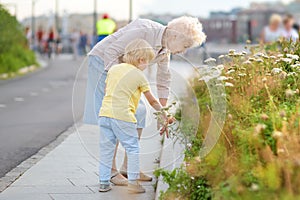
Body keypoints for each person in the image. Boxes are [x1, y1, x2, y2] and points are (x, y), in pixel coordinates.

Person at [83, 16, 206, 186]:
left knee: (139, 112)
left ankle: (128, 167)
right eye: (185, 46)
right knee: (115, 116)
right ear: (175, 36)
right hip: (104, 63)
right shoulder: (144, 29)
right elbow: (111, 52)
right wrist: (116, 81)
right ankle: (111, 172)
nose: (184, 51)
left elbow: (164, 79)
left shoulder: (165, 50)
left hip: (124, 72)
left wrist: (163, 112)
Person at [98, 39, 169, 193]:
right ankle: (132, 184)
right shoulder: (139, 75)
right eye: (147, 63)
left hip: (104, 114)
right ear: (141, 60)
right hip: (123, 116)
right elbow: (151, 100)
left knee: (106, 149)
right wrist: (163, 113)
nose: (147, 67)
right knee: (132, 148)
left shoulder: (114, 69)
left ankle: (104, 182)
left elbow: (106, 91)